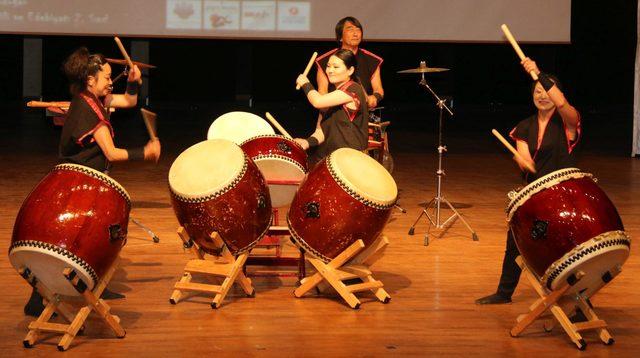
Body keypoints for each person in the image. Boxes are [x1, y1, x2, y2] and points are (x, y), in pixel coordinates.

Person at [24, 47, 161, 317]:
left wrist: (133, 81)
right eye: (107, 77)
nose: (112, 81)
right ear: (90, 80)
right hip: (77, 185)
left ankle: (95, 283)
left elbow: (130, 102)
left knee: (101, 233)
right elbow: (111, 152)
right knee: (72, 237)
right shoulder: (91, 113)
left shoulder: (92, 99)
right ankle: (37, 298)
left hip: (87, 181)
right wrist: (145, 152)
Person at [476, 57, 581, 305]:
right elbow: (522, 156)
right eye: (537, 91)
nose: (542, 95)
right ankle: (504, 293)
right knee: (515, 240)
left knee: (570, 248)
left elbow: (564, 104)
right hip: (535, 195)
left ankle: (580, 300)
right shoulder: (524, 127)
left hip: (563, 195)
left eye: (546, 91)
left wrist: (538, 73)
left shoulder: (567, 122)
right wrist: (522, 161)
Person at [294, 49, 369, 165]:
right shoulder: (331, 98)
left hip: (350, 160)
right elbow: (321, 132)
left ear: (350, 70)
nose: (330, 70)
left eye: (336, 67)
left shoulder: (354, 89)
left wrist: (305, 84)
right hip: (330, 159)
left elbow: (317, 101)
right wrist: (307, 142)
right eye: (328, 66)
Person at [316, 16, 384, 109]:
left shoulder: (372, 60)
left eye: (358, 30)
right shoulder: (326, 60)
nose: (355, 34)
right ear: (340, 37)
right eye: (350, 29)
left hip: (361, 114)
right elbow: (322, 92)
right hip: (331, 113)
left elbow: (378, 90)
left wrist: (374, 97)